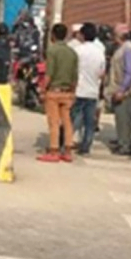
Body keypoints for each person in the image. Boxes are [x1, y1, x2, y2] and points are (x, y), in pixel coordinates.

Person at [38, 23, 79, 163]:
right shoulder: (72, 53)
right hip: (67, 92)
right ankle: (67, 151)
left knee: (54, 122)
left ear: (53, 35)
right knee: (67, 122)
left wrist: (43, 89)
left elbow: (49, 73)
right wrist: (73, 92)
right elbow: (75, 76)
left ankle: (54, 150)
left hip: (54, 92)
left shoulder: (52, 51)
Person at [105, 24, 131, 156]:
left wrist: (122, 90)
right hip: (121, 89)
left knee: (124, 119)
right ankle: (122, 141)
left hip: (126, 91)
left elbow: (129, 71)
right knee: (121, 118)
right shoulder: (125, 48)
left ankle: (125, 146)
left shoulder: (128, 49)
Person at [70, 22, 106, 155]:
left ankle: (68, 140)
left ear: (82, 35)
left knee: (75, 118)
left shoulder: (77, 51)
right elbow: (102, 73)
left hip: (79, 89)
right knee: (89, 121)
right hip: (93, 90)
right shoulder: (100, 52)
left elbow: (73, 70)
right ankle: (86, 145)